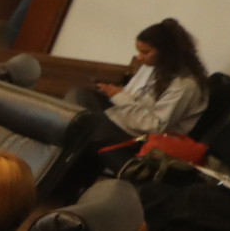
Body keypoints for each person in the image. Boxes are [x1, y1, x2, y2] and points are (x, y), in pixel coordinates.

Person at [70, 18, 210, 161]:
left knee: (82, 125)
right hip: (132, 120)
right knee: (80, 96)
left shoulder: (186, 85)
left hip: (146, 137)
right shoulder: (160, 68)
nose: (139, 57)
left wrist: (121, 97)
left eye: (145, 52)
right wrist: (116, 93)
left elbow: (154, 126)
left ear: (166, 52)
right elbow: (142, 100)